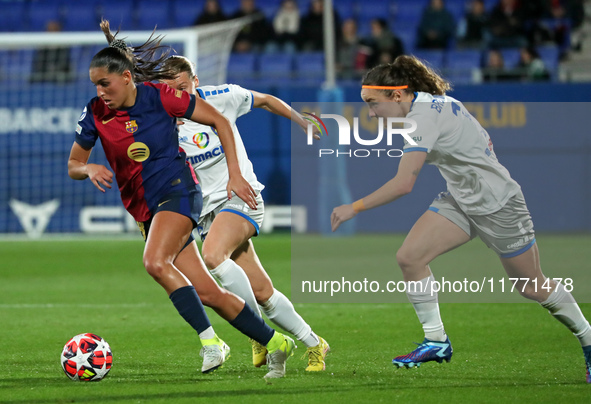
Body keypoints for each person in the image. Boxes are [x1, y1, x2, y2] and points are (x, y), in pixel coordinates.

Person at [330, 55, 591, 383]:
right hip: (463, 200)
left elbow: (403, 184)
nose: (370, 113)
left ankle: (589, 340)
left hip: (499, 204)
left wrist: (352, 208)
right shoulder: (432, 104)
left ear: (397, 95)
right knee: (410, 257)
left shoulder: (422, 119)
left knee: (532, 286)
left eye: (373, 103)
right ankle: (436, 341)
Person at [67, 20, 295, 379]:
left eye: (105, 83)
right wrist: (89, 170)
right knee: (208, 292)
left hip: (178, 193)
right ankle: (275, 342)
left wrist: (235, 174)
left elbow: (219, 120)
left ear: (126, 78)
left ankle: (209, 342)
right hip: (144, 209)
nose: (100, 91)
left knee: (155, 262)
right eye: (95, 84)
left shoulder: (160, 97)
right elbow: (73, 164)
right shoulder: (95, 112)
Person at [160, 55, 330, 372]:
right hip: (208, 214)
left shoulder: (221, 97)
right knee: (263, 292)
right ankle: (314, 343)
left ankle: (257, 333)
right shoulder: (164, 118)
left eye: (183, 87)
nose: (179, 95)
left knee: (212, 256)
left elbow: (266, 100)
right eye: (172, 90)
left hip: (242, 196)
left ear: (195, 81)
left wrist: (302, 121)